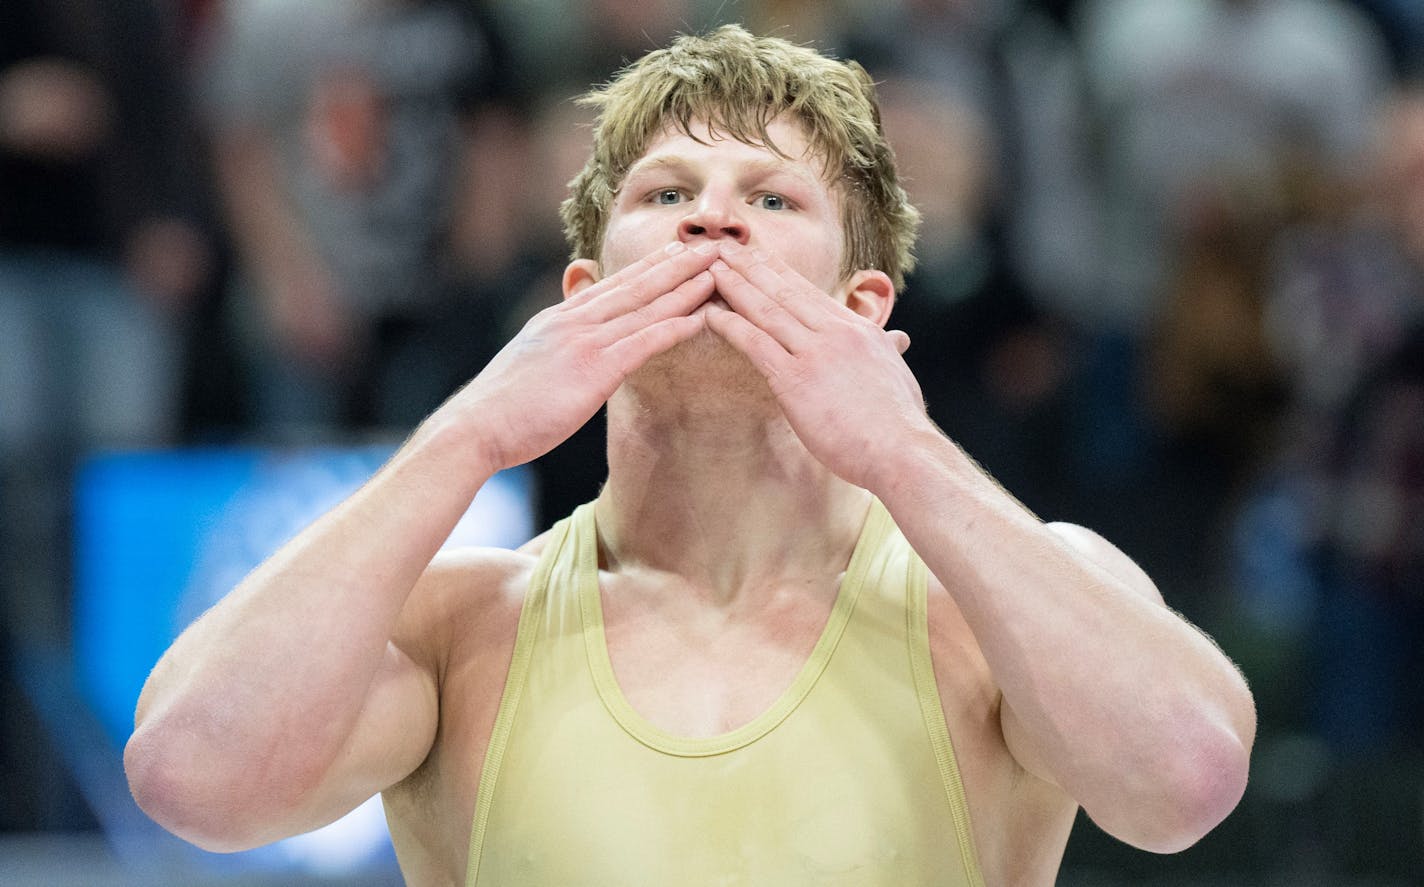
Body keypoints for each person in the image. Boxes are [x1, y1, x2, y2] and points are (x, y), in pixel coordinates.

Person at [125, 26, 1256, 886]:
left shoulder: (1002, 601)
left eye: (769, 198)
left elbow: (1185, 782)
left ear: (863, 305)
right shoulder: (462, 622)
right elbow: (191, 774)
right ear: (581, 293)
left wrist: (904, 453)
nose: (711, 222)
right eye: (665, 195)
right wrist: (467, 435)